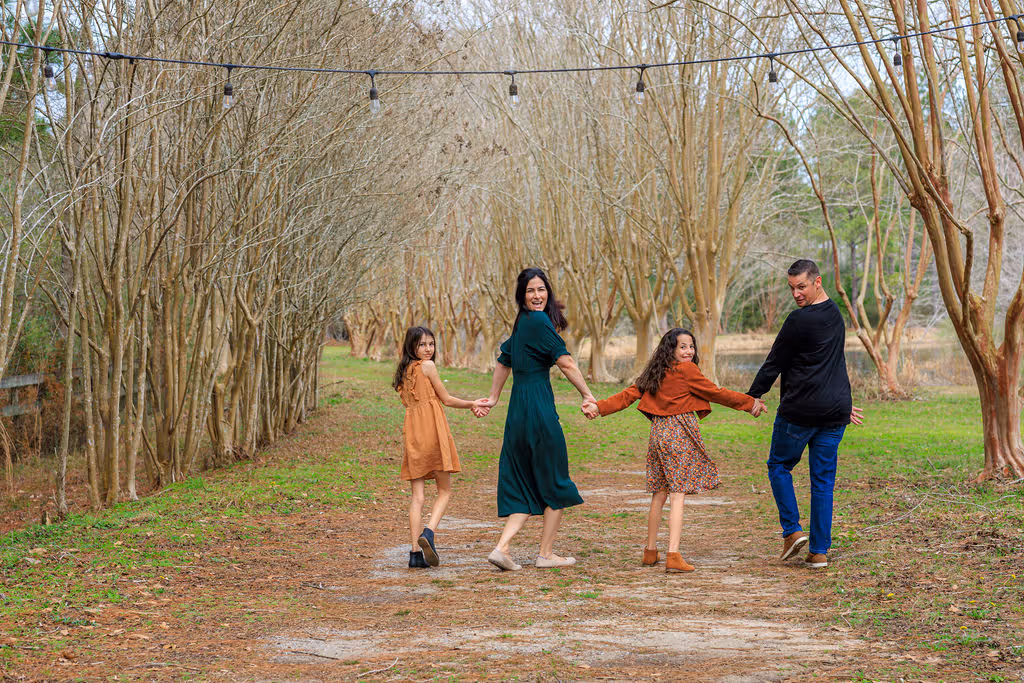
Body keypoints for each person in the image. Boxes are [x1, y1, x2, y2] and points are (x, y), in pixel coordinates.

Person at [583, 329, 766, 573]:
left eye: (691, 346)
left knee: (659, 492)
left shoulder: (656, 370)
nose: (689, 351)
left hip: (658, 433)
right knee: (678, 494)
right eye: (683, 347)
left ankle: (650, 551)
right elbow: (716, 393)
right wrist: (750, 403)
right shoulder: (687, 370)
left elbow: (629, 395)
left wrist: (598, 407)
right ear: (671, 349)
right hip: (678, 432)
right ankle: (673, 554)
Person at [747, 259, 863, 569]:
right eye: (792, 288)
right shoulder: (836, 315)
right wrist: (842, 402)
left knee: (779, 465)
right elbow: (833, 364)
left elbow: (775, 361)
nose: (796, 294)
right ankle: (819, 552)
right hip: (834, 411)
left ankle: (792, 531)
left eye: (801, 287)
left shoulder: (797, 321)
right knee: (822, 481)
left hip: (800, 411)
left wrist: (754, 394)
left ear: (817, 282)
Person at [480, 268, 596, 571]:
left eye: (541, 289)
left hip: (517, 412)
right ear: (522, 295)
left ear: (548, 292)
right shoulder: (538, 321)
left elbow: (503, 361)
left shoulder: (522, 323)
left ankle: (502, 548)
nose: (536, 295)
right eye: (530, 290)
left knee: (524, 483)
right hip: (538, 410)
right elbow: (565, 362)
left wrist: (494, 398)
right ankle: (545, 554)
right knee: (556, 481)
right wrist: (588, 394)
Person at [393, 326, 489, 569]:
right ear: (412, 346)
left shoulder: (403, 372)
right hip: (433, 433)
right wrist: (473, 403)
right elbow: (446, 399)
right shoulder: (428, 367)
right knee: (444, 491)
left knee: (417, 497)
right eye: (422, 344)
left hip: (413, 435)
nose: (428, 349)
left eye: (431, 344)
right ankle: (429, 532)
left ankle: (415, 555)